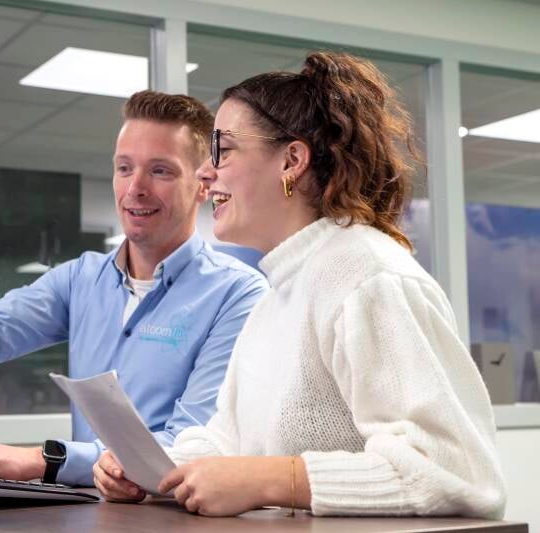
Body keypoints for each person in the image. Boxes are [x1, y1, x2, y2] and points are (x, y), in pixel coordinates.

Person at [94, 52, 507, 519]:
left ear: (291, 160)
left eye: (222, 151)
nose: (205, 174)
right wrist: (154, 471)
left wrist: (272, 479)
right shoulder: (276, 295)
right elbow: (227, 439)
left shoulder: (370, 277)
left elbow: (457, 473)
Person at [0, 90, 268, 487]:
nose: (135, 187)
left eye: (160, 170)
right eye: (124, 168)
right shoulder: (82, 279)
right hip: (94, 515)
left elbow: (189, 443)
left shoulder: (238, 294)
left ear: (203, 186)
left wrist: (49, 459)